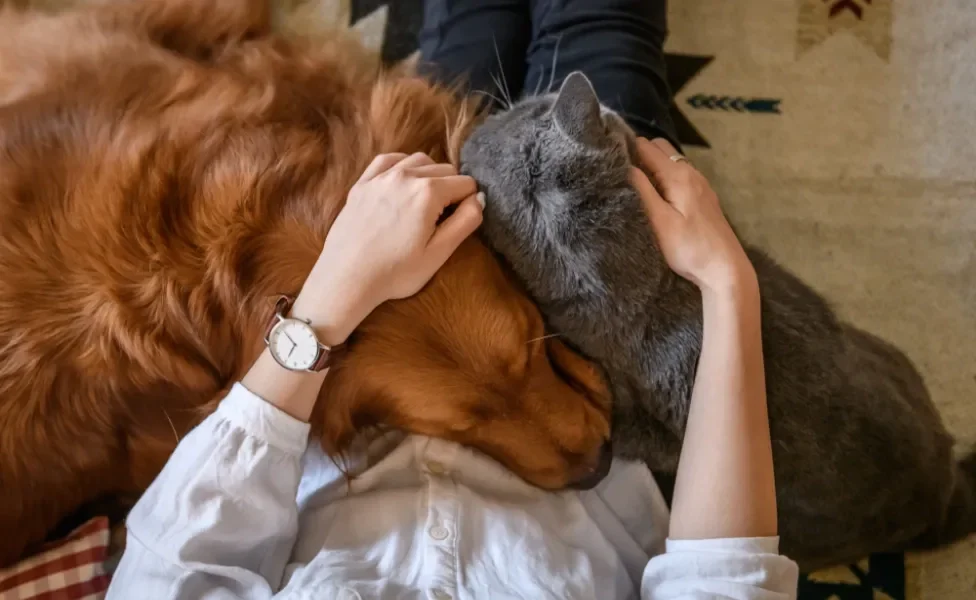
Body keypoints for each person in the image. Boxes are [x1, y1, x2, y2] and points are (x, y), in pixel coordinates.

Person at [107, 1, 799, 598]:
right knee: (603, 32)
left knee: (467, 32)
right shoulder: (579, 439)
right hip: (600, 331)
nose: (572, 454)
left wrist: (330, 297)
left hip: (362, 325)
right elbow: (724, 580)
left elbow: (176, 562)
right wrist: (725, 285)